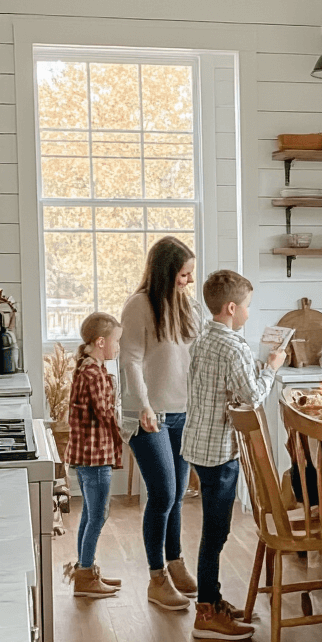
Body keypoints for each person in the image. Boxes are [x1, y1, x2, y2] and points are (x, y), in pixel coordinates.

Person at [181, 269, 287, 641]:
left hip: (199, 445)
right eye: (245, 308)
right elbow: (252, 396)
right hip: (218, 453)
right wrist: (272, 368)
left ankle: (212, 599)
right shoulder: (233, 346)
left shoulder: (205, 339)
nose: (247, 314)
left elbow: (229, 386)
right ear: (230, 308)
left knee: (214, 532)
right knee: (216, 533)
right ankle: (206, 614)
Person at [120, 236, 199, 612]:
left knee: (178, 493)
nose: (188, 281)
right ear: (168, 271)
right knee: (164, 493)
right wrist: (145, 406)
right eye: (184, 274)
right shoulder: (138, 306)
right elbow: (131, 360)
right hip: (149, 416)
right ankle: (156, 578)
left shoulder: (186, 305)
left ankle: (175, 561)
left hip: (184, 412)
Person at [64, 312, 123, 598]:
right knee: (98, 515)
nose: (118, 347)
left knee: (90, 514)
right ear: (101, 342)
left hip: (83, 456)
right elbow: (106, 414)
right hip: (96, 456)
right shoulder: (96, 374)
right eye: (116, 342)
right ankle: (85, 576)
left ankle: (85, 570)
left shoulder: (84, 368)